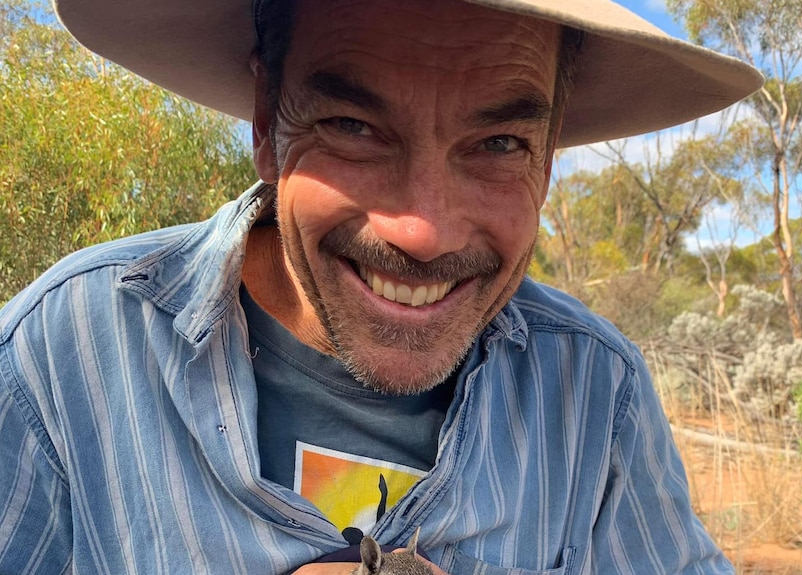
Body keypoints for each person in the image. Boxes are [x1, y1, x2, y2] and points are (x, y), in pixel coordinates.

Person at [0, 0, 762, 573]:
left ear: (550, 156)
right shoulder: (59, 363)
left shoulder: (597, 399)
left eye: (498, 143)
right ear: (267, 120)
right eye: (354, 126)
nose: (422, 230)